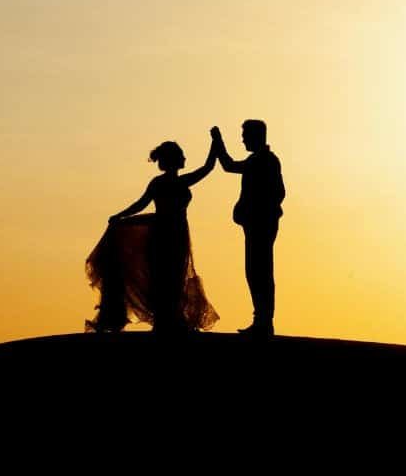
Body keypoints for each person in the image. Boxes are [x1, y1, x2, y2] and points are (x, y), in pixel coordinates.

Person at [85, 132, 220, 334]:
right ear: (174, 160)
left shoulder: (169, 182)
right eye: (181, 155)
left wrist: (215, 144)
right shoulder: (169, 183)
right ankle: (167, 322)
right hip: (167, 235)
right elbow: (141, 204)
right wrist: (216, 143)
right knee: (168, 278)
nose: (184, 158)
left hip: (173, 235)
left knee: (172, 278)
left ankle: (169, 320)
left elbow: (207, 167)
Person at [212, 120, 284, 337]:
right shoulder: (257, 160)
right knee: (255, 271)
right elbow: (229, 166)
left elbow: (279, 192)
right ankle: (261, 320)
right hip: (256, 223)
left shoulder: (266, 160)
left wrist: (218, 142)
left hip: (261, 223)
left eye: (245, 135)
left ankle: (264, 322)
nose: (242, 139)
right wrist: (218, 143)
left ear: (256, 136)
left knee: (259, 271)